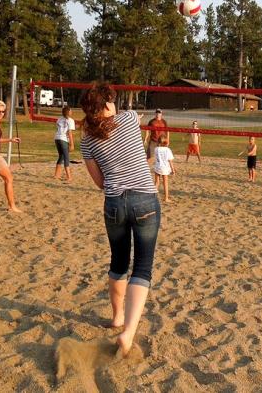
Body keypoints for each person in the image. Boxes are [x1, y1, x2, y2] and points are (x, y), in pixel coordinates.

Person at [80, 83, 161, 357]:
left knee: (118, 263)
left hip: (114, 202)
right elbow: (129, 117)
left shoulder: (86, 141)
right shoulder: (127, 119)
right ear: (107, 104)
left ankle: (116, 318)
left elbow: (100, 183)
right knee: (142, 268)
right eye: (111, 100)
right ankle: (127, 331)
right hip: (144, 200)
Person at [54, 106, 76, 182]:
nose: (72, 112)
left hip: (57, 138)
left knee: (61, 156)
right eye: (71, 111)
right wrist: (72, 144)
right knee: (66, 158)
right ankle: (69, 177)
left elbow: (57, 128)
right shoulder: (70, 120)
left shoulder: (59, 119)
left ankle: (56, 175)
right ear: (68, 112)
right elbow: (69, 133)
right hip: (63, 139)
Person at [153, 134, 176, 202]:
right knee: (165, 183)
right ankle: (166, 198)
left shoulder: (156, 149)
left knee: (157, 182)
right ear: (166, 142)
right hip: (165, 168)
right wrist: (173, 170)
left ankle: (154, 197)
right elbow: (170, 161)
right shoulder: (167, 150)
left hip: (157, 166)